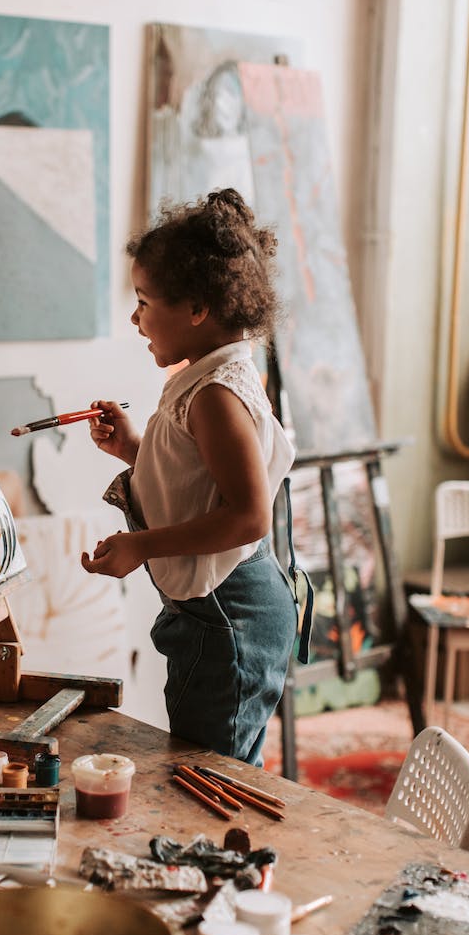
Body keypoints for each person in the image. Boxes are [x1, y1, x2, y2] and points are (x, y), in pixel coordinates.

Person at [81, 188, 312, 766]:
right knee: (211, 768)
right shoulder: (208, 380)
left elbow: (249, 516)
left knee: (209, 777)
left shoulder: (215, 395)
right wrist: (136, 449)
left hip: (230, 618)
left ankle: (222, 859)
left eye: (143, 302)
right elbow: (198, 481)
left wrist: (141, 544)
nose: (135, 319)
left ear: (197, 309)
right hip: (218, 613)